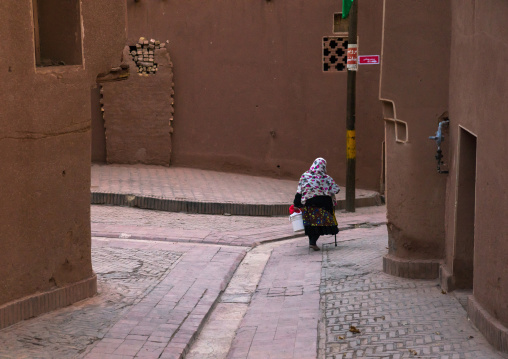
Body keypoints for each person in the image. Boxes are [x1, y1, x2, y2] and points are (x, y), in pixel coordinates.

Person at [293, 158, 340, 251]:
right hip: (324, 205)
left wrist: (296, 203)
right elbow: (336, 189)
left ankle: (312, 242)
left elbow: (299, 191)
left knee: (311, 224)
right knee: (321, 224)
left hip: (309, 204)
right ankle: (313, 242)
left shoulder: (304, 176)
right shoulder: (327, 178)